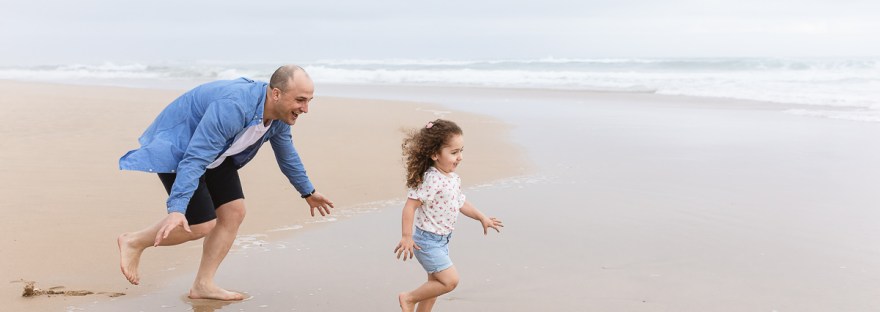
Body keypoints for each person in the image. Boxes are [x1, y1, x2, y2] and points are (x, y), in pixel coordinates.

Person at [116, 65, 334, 301]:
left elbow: (286, 154)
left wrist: (307, 191)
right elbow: (195, 157)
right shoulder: (234, 107)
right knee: (201, 225)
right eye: (300, 100)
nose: (305, 109)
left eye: (309, 101)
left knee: (233, 212)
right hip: (180, 148)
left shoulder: (279, 116)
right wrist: (177, 209)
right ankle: (134, 241)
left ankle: (203, 285)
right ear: (276, 94)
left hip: (217, 152)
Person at [394, 119, 503, 312]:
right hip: (426, 241)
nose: (460, 157)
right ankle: (408, 298)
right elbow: (410, 206)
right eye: (454, 152)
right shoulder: (432, 180)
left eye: (461, 151)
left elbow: (460, 202)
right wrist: (406, 236)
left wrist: (482, 217)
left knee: (433, 290)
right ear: (435, 154)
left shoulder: (452, 178)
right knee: (450, 281)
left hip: (442, 241)